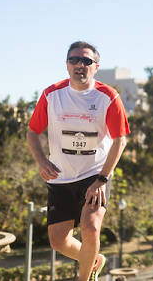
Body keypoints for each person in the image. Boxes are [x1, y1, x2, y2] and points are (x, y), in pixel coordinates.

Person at [27, 41, 129, 281]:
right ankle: (94, 260)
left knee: (91, 226)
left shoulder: (108, 97)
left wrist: (102, 179)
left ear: (96, 67)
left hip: (95, 174)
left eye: (86, 61)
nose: (80, 65)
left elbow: (119, 141)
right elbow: (32, 132)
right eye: (74, 60)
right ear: (67, 65)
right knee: (58, 241)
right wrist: (41, 161)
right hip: (61, 176)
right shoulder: (51, 95)